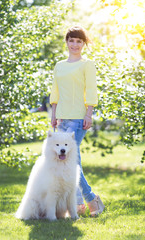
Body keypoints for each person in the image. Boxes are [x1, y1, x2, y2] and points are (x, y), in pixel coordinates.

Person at [50, 26, 105, 216]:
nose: (75, 44)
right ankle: (80, 203)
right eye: (72, 40)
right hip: (62, 118)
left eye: (79, 41)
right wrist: (54, 114)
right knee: (69, 161)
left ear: (84, 44)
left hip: (79, 118)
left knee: (71, 162)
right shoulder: (59, 65)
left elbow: (91, 90)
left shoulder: (86, 64)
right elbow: (55, 91)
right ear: (66, 42)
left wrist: (89, 114)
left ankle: (90, 199)